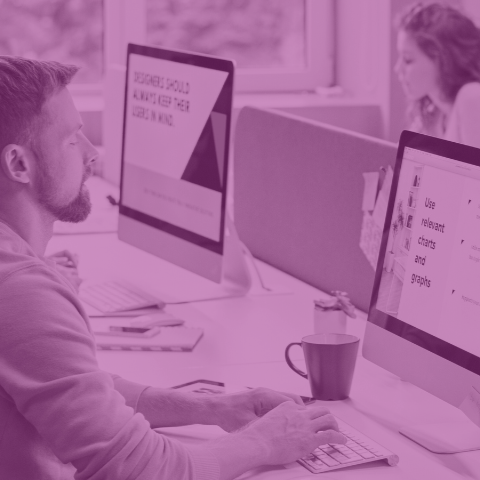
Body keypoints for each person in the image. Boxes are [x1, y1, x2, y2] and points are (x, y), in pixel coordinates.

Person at [0, 56, 346, 480]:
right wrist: (261, 443)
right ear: (19, 164)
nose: (92, 154)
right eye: (73, 140)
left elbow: (69, 385)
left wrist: (210, 407)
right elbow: (137, 470)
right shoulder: (22, 290)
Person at [395, 2, 480, 148]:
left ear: (443, 60)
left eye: (408, 60)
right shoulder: (431, 114)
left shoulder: (472, 96)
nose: (397, 69)